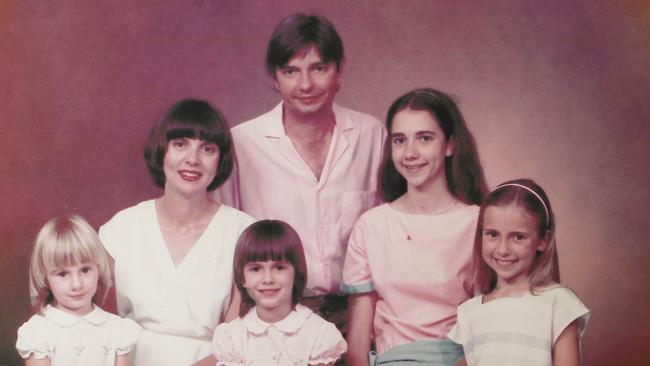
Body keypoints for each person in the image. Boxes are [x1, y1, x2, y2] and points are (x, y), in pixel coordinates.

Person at [214, 13, 386, 326]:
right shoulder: (241, 144)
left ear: (340, 71)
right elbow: (225, 242)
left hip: (360, 316)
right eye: (291, 71)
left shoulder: (371, 136)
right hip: (274, 318)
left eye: (318, 68)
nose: (305, 84)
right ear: (274, 78)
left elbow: (391, 232)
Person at [99, 99, 254, 366]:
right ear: (162, 151)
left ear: (221, 160)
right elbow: (96, 324)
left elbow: (239, 341)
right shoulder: (121, 228)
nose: (192, 160)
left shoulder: (243, 233)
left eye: (207, 148)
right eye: (180, 144)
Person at [342, 88, 488, 365]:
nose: (410, 153)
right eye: (400, 140)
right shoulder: (371, 226)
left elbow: (488, 326)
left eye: (425, 138)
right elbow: (358, 344)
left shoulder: (477, 223)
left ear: (450, 145)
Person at [447, 179, 590, 366]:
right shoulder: (471, 311)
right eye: (492, 234)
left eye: (518, 237)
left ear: (543, 240)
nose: (503, 249)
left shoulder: (559, 304)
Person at [212, 220, 347, 365]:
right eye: (256, 269)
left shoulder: (319, 334)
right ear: (242, 277)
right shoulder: (232, 338)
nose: (268, 279)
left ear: (296, 273)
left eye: (279, 268)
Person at [16, 215, 141, 366]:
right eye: (62, 274)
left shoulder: (118, 330)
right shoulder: (38, 333)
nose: (77, 284)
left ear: (98, 268)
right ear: (45, 278)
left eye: (85, 270)